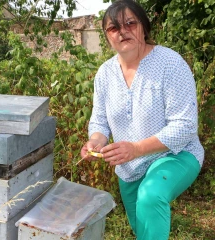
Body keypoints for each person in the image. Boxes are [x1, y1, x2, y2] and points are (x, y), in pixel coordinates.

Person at [80, 0, 204, 239]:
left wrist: (136, 148)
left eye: (130, 23)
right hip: (129, 166)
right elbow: (99, 121)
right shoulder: (105, 74)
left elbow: (185, 126)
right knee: (143, 230)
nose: (122, 31)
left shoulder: (170, 63)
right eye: (113, 28)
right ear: (107, 36)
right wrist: (96, 140)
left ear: (143, 28)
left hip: (175, 154)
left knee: (150, 195)